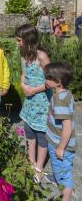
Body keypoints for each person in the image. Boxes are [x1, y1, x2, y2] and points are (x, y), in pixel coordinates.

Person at [15, 24, 51, 183]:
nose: (17, 43)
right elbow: (23, 75)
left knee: (41, 134)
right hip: (30, 102)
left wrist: (34, 90)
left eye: (19, 40)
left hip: (42, 102)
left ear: (28, 40)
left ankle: (39, 167)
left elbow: (52, 81)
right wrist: (23, 86)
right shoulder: (24, 56)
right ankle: (31, 162)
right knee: (29, 130)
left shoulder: (41, 56)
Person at [44, 62, 77, 201]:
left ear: (57, 81)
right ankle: (59, 177)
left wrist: (60, 148)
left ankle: (66, 195)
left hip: (60, 144)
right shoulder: (66, 94)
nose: (45, 80)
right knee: (61, 169)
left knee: (64, 175)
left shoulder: (60, 100)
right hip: (58, 141)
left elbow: (67, 127)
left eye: (47, 78)